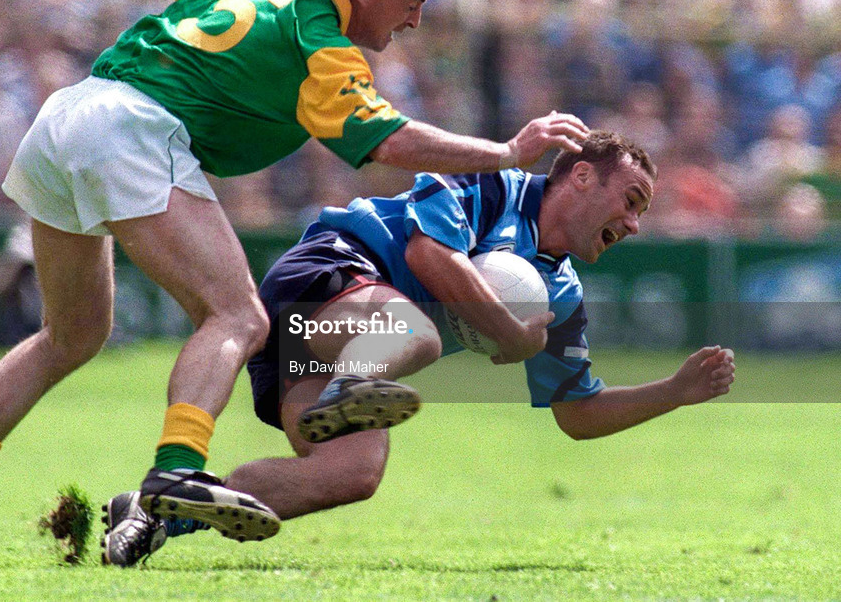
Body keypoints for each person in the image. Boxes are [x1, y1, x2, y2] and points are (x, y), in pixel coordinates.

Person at [0, 0, 590, 565]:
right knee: (237, 315)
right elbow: (389, 141)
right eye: (411, 0)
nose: (415, 18)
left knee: (72, 335)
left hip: (66, 116)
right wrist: (507, 153)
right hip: (136, 127)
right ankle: (177, 467)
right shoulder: (325, 43)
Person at [101, 131, 736, 566]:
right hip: (327, 276)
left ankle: (161, 512)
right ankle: (352, 386)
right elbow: (426, 254)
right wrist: (511, 334)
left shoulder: (561, 294)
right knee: (420, 331)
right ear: (579, 176)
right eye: (630, 202)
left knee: (352, 473)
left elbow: (576, 411)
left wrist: (674, 393)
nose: (633, 225)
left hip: (337, 342)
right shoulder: (492, 183)